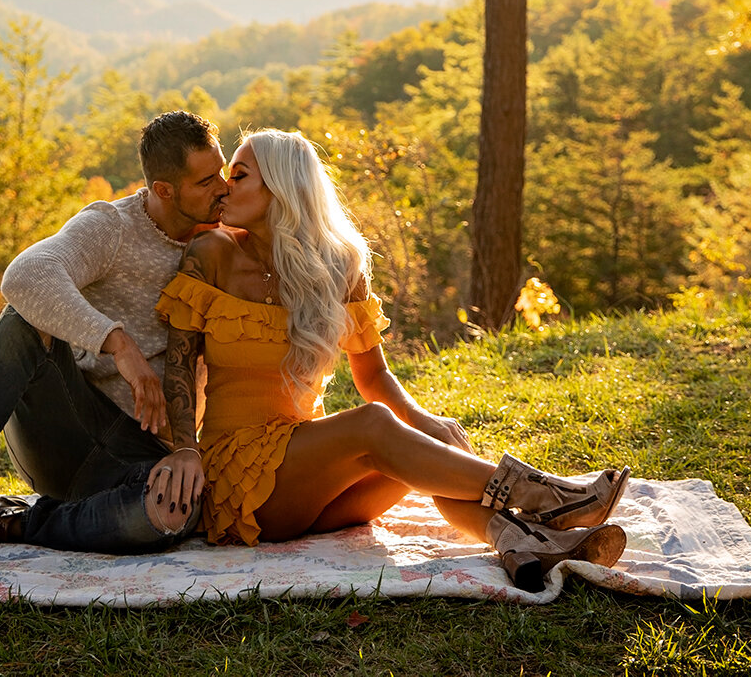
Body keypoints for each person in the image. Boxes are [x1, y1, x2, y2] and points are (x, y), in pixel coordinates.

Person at [155, 130, 631, 591]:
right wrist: (183, 449)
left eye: (238, 175)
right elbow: (176, 368)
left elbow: (374, 373)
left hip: (310, 483)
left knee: (428, 447)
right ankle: (547, 496)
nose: (222, 187)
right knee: (374, 425)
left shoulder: (338, 265)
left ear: (282, 186)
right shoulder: (210, 252)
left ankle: (520, 542)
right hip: (240, 480)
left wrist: (426, 421)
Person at [0, 109, 230, 568]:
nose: (223, 188)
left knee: (176, 512)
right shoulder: (112, 227)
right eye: (206, 181)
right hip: (63, 429)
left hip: (138, 457)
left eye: (223, 171)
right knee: (22, 321)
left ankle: (12, 522)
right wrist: (118, 342)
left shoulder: (224, 242)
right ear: (164, 191)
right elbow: (26, 274)